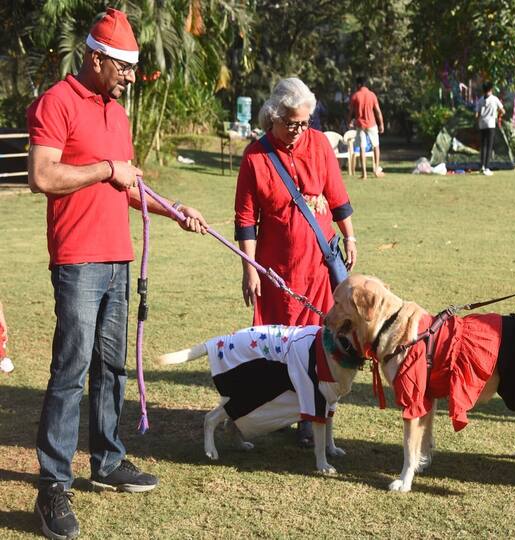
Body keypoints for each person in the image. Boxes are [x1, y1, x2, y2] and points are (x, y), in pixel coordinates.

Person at [26, 9, 208, 539]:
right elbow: (42, 175)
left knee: (111, 367)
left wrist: (175, 211)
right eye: (124, 67)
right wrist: (107, 169)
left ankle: (106, 461)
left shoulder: (117, 114)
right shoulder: (57, 102)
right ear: (97, 58)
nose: (131, 77)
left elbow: (127, 186)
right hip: (78, 260)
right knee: (71, 369)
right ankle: (52, 488)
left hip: (118, 259)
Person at [234, 77, 357, 446]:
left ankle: (310, 418)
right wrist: (250, 270)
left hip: (318, 271)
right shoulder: (255, 157)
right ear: (273, 116)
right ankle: (273, 414)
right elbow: (245, 219)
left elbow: (338, 197)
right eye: (292, 123)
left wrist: (350, 236)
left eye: (305, 122)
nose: (299, 131)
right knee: (276, 344)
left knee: (318, 345)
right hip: (276, 274)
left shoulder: (318, 144)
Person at [348, 76, 385, 179]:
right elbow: (377, 111)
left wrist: (349, 122)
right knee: (376, 146)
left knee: (362, 147)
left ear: (358, 84)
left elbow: (351, 112)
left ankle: (364, 173)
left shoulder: (355, 96)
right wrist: (381, 124)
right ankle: (376, 170)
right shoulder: (372, 95)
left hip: (360, 125)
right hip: (372, 124)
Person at [475, 81, 505, 176]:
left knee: (483, 146)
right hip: (491, 124)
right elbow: (503, 111)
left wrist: (479, 120)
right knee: (489, 146)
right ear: (491, 89)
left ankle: (482, 166)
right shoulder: (494, 99)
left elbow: (476, 114)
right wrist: (497, 116)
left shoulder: (480, 100)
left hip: (482, 124)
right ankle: (487, 167)